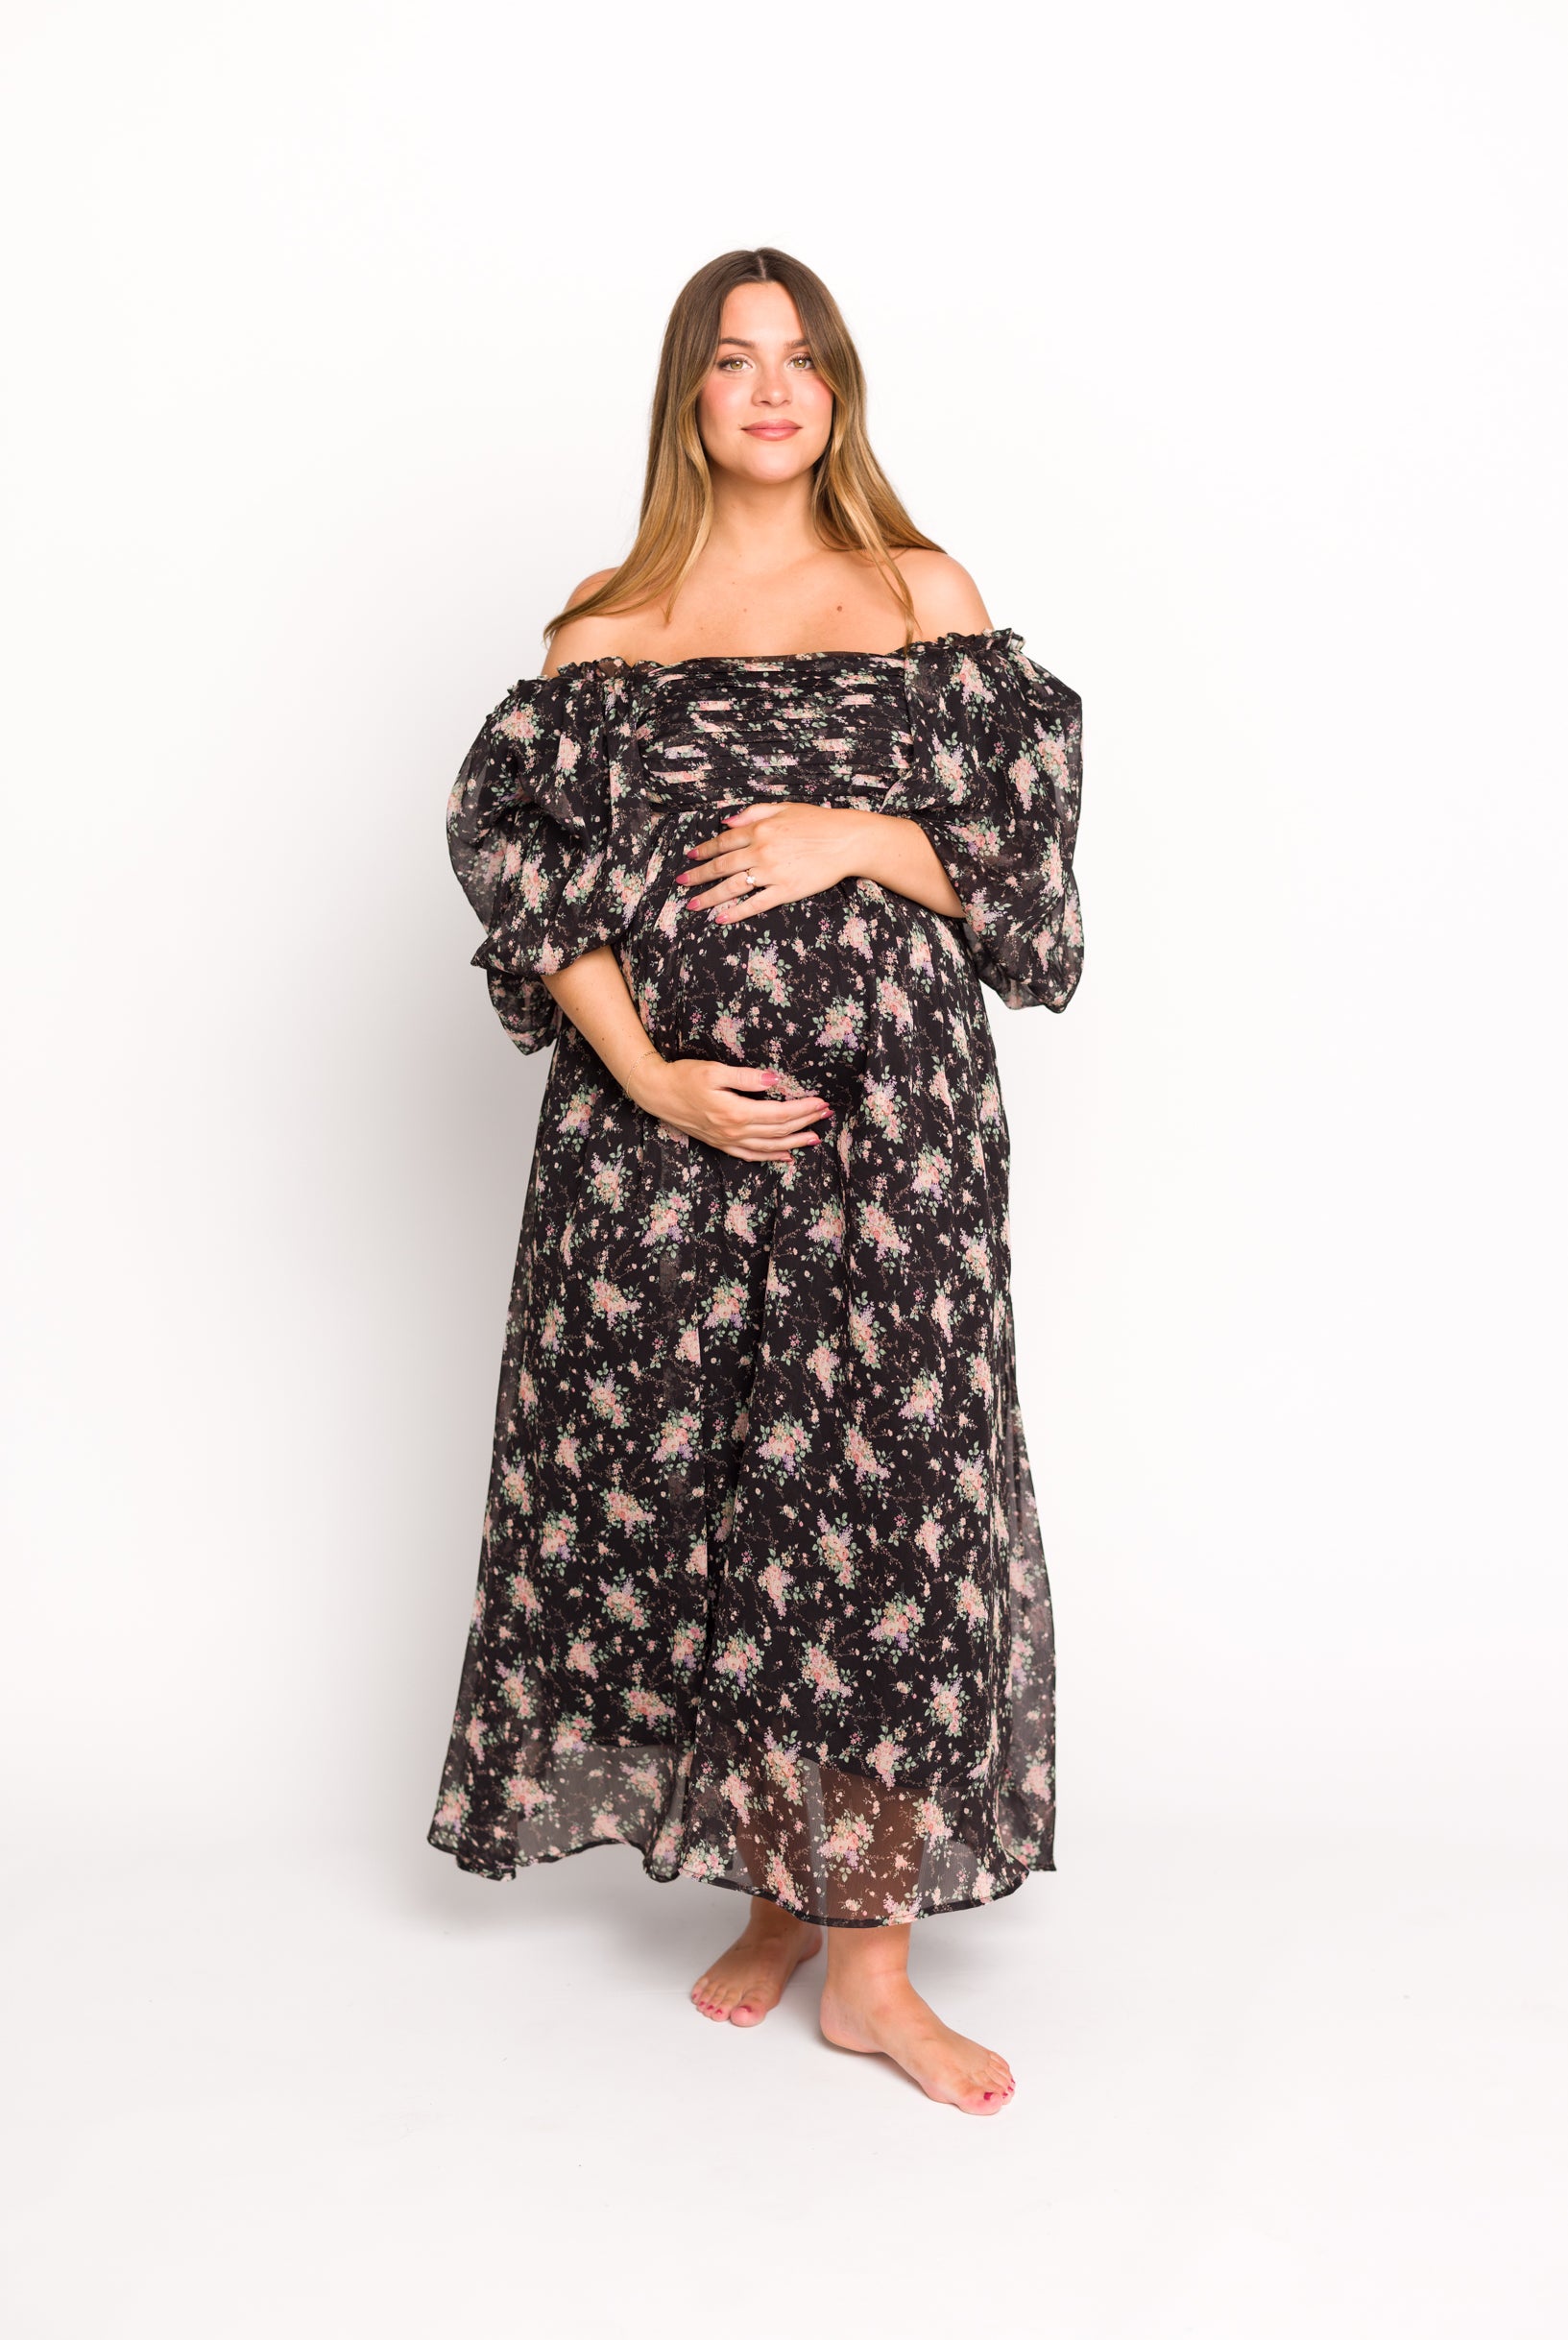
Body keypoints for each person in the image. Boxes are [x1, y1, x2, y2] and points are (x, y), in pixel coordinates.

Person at [428, 246, 1085, 2115]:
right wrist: (650, 1075)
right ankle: (782, 1894)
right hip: (661, 1159)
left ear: (839, 391)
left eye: (802, 358)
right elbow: (525, 876)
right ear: (691, 398)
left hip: (892, 1144)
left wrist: (854, 833)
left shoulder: (918, 592)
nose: (773, 387)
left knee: (881, 1512)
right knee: (711, 1501)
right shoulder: (607, 623)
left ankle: (871, 1968)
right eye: (735, 360)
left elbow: (1021, 867)